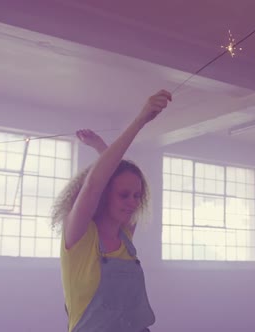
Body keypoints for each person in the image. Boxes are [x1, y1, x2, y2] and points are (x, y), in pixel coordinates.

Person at [51, 90, 172, 332]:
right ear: (104, 195)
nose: (133, 203)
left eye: (137, 196)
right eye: (124, 195)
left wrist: (100, 147)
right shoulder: (80, 235)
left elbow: (110, 177)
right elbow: (95, 183)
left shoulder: (125, 236)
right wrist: (140, 120)